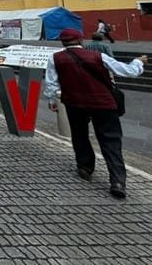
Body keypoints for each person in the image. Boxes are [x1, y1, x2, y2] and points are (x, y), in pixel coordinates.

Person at [44, 28, 147, 199]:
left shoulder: (55, 58)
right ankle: (117, 181)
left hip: (74, 102)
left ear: (62, 42)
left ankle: (85, 166)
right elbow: (128, 71)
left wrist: (52, 101)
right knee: (110, 140)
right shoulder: (97, 56)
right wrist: (138, 62)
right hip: (102, 103)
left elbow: (51, 83)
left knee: (79, 135)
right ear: (81, 41)